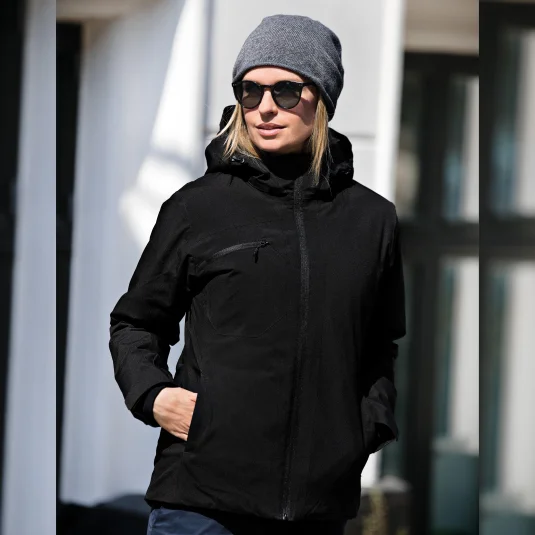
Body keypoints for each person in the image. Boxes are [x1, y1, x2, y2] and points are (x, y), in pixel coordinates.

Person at [109, 13, 406, 535]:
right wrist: (154, 396)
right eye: (250, 91)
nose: (265, 107)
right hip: (200, 505)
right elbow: (136, 323)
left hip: (318, 509)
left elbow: (380, 343)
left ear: (321, 98)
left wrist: (366, 427)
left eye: (286, 91)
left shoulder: (373, 220)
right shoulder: (198, 208)